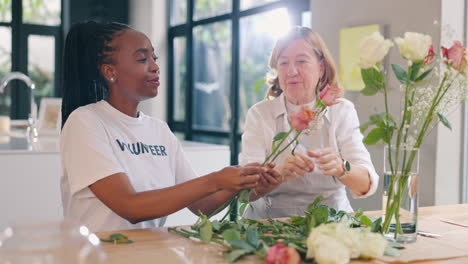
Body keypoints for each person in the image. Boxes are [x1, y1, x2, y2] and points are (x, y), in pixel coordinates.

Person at [60, 21, 279, 232]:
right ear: (110, 72)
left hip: (147, 252)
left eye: (153, 58)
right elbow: (130, 206)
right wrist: (215, 179)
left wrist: (249, 187)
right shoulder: (85, 121)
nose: (155, 67)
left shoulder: (159, 130)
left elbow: (202, 205)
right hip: (93, 255)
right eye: (142, 59)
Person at [239, 26, 379, 219]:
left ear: (321, 67)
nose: (292, 71)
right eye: (284, 63)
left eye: (302, 61)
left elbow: (366, 184)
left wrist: (341, 167)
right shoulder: (260, 114)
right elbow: (245, 193)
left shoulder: (341, 110)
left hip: (332, 221)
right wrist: (279, 175)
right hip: (269, 221)